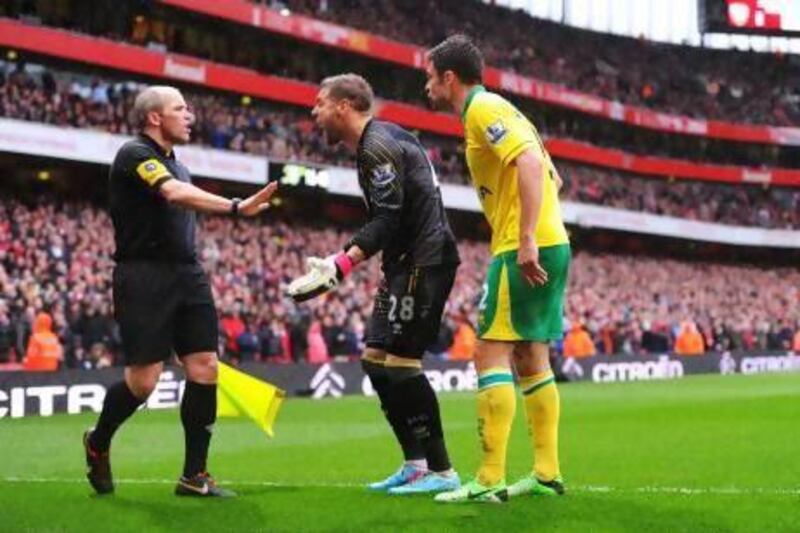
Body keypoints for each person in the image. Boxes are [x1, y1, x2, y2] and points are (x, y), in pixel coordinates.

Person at [83, 85, 277, 498]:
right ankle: (98, 441)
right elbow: (172, 192)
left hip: (188, 274)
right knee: (143, 383)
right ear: (155, 117)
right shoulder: (135, 154)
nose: (189, 115)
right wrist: (236, 206)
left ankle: (195, 475)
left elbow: (181, 195)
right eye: (180, 108)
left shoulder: (179, 165)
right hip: (143, 276)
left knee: (205, 365)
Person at [288, 73, 461, 495]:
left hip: (425, 260)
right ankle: (414, 464)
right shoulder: (378, 141)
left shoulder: (377, 146)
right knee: (375, 361)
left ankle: (443, 471)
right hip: (402, 263)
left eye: (320, 103)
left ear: (344, 106)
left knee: (402, 365)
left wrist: (341, 263)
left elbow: (388, 218)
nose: (314, 112)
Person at [425, 35, 570, 503]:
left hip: (522, 245)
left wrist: (525, 236)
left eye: (430, 76)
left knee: (488, 352)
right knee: (531, 356)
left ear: (450, 77)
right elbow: (554, 175)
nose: (427, 86)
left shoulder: (483, 109)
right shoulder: (504, 110)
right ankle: (547, 473)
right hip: (553, 241)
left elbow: (529, 163)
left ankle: (488, 480)